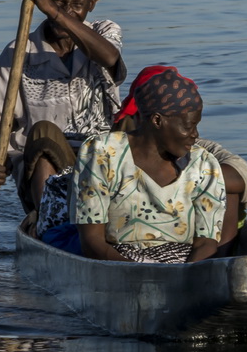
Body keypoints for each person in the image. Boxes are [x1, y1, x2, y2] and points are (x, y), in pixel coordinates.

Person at [0, 0, 126, 216]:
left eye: (77, 4)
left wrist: (51, 9)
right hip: (43, 169)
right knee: (43, 139)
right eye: (58, 1)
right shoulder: (18, 52)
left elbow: (109, 56)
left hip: (99, 165)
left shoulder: (103, 33)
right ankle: (50, 226)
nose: (67, 11)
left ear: (92, 3)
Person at [67, 66, 228, 264]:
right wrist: (141, 274)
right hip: (118, 260)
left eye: (196, 125)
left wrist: (184, 276)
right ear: (157, 120)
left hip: (182, 262)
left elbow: (206, 244)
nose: (195, 134)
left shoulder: (204, 164)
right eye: (188, 126)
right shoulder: (103, 153)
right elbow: (92, 242)